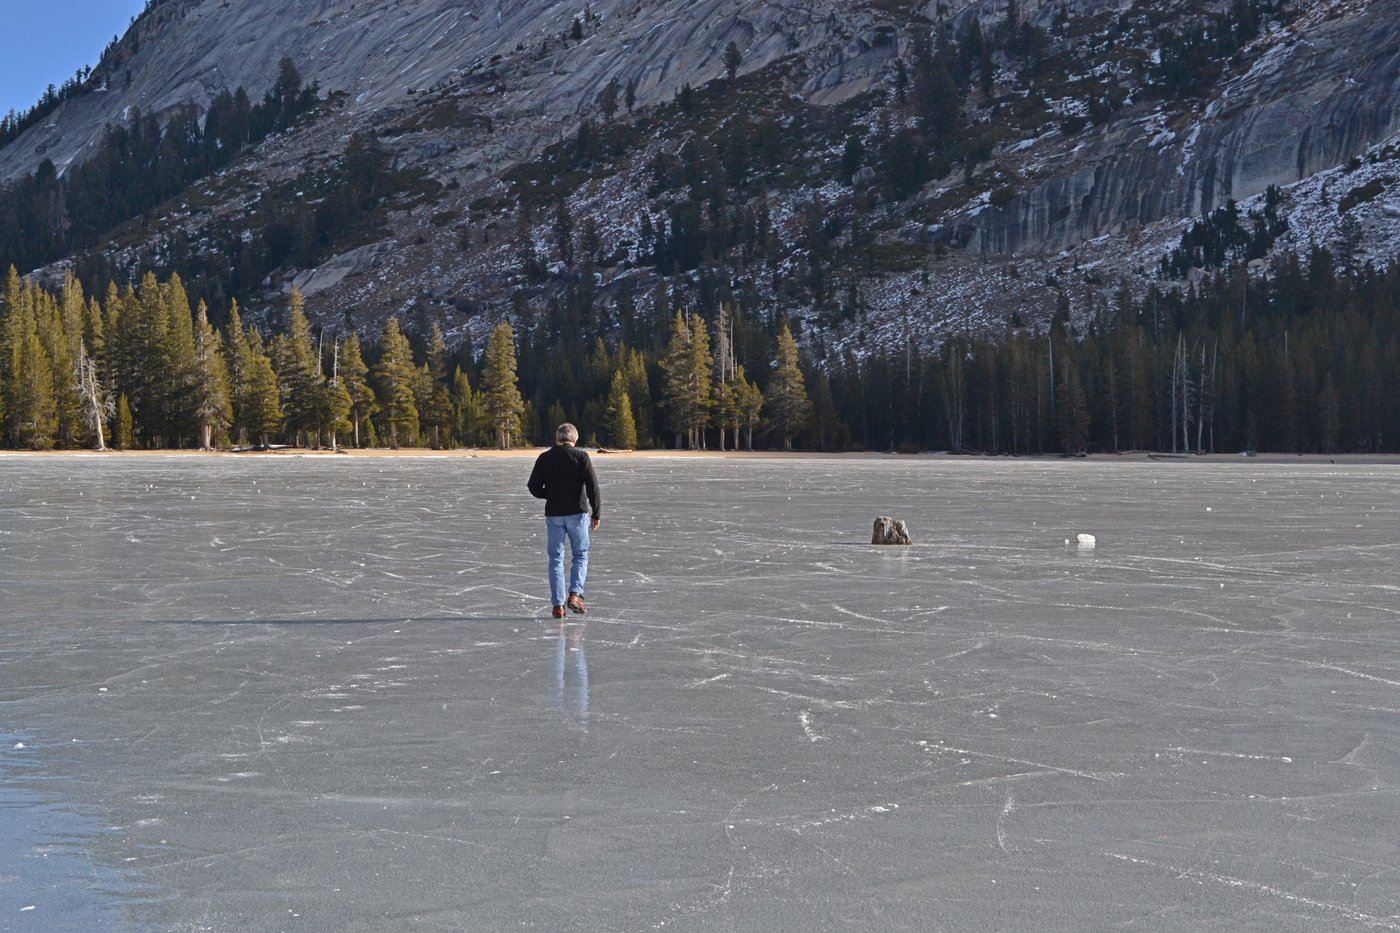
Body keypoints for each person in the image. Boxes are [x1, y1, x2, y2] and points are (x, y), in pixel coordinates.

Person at [527, 423, 601, 619]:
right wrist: (596, 514)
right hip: (577, 514)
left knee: (556, 560)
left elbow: (533, 486)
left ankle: (558, 606)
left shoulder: (545, 458)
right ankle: (575, 595)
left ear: (557, 439)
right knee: (580, 555)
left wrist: (549, 494)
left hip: (554, 515)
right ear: (575, 439)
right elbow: (593, 486)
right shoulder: (581, 456)